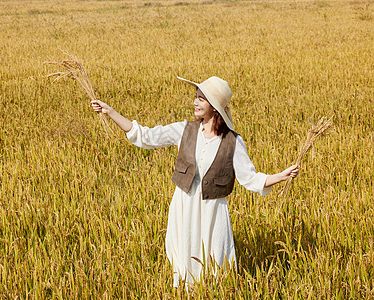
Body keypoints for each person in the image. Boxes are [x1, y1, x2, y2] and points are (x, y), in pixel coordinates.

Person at [91, 76, 299, 288]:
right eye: (196, 97)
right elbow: (146, 136)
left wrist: (280, 176)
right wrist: (111, 112)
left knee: (215, 262)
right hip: (184, 204)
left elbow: (250, 178)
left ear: (215, 107)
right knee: (184, 260)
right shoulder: (185, 129)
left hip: (213, 210)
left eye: (201, 99)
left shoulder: (232, 141)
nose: (195, 102)